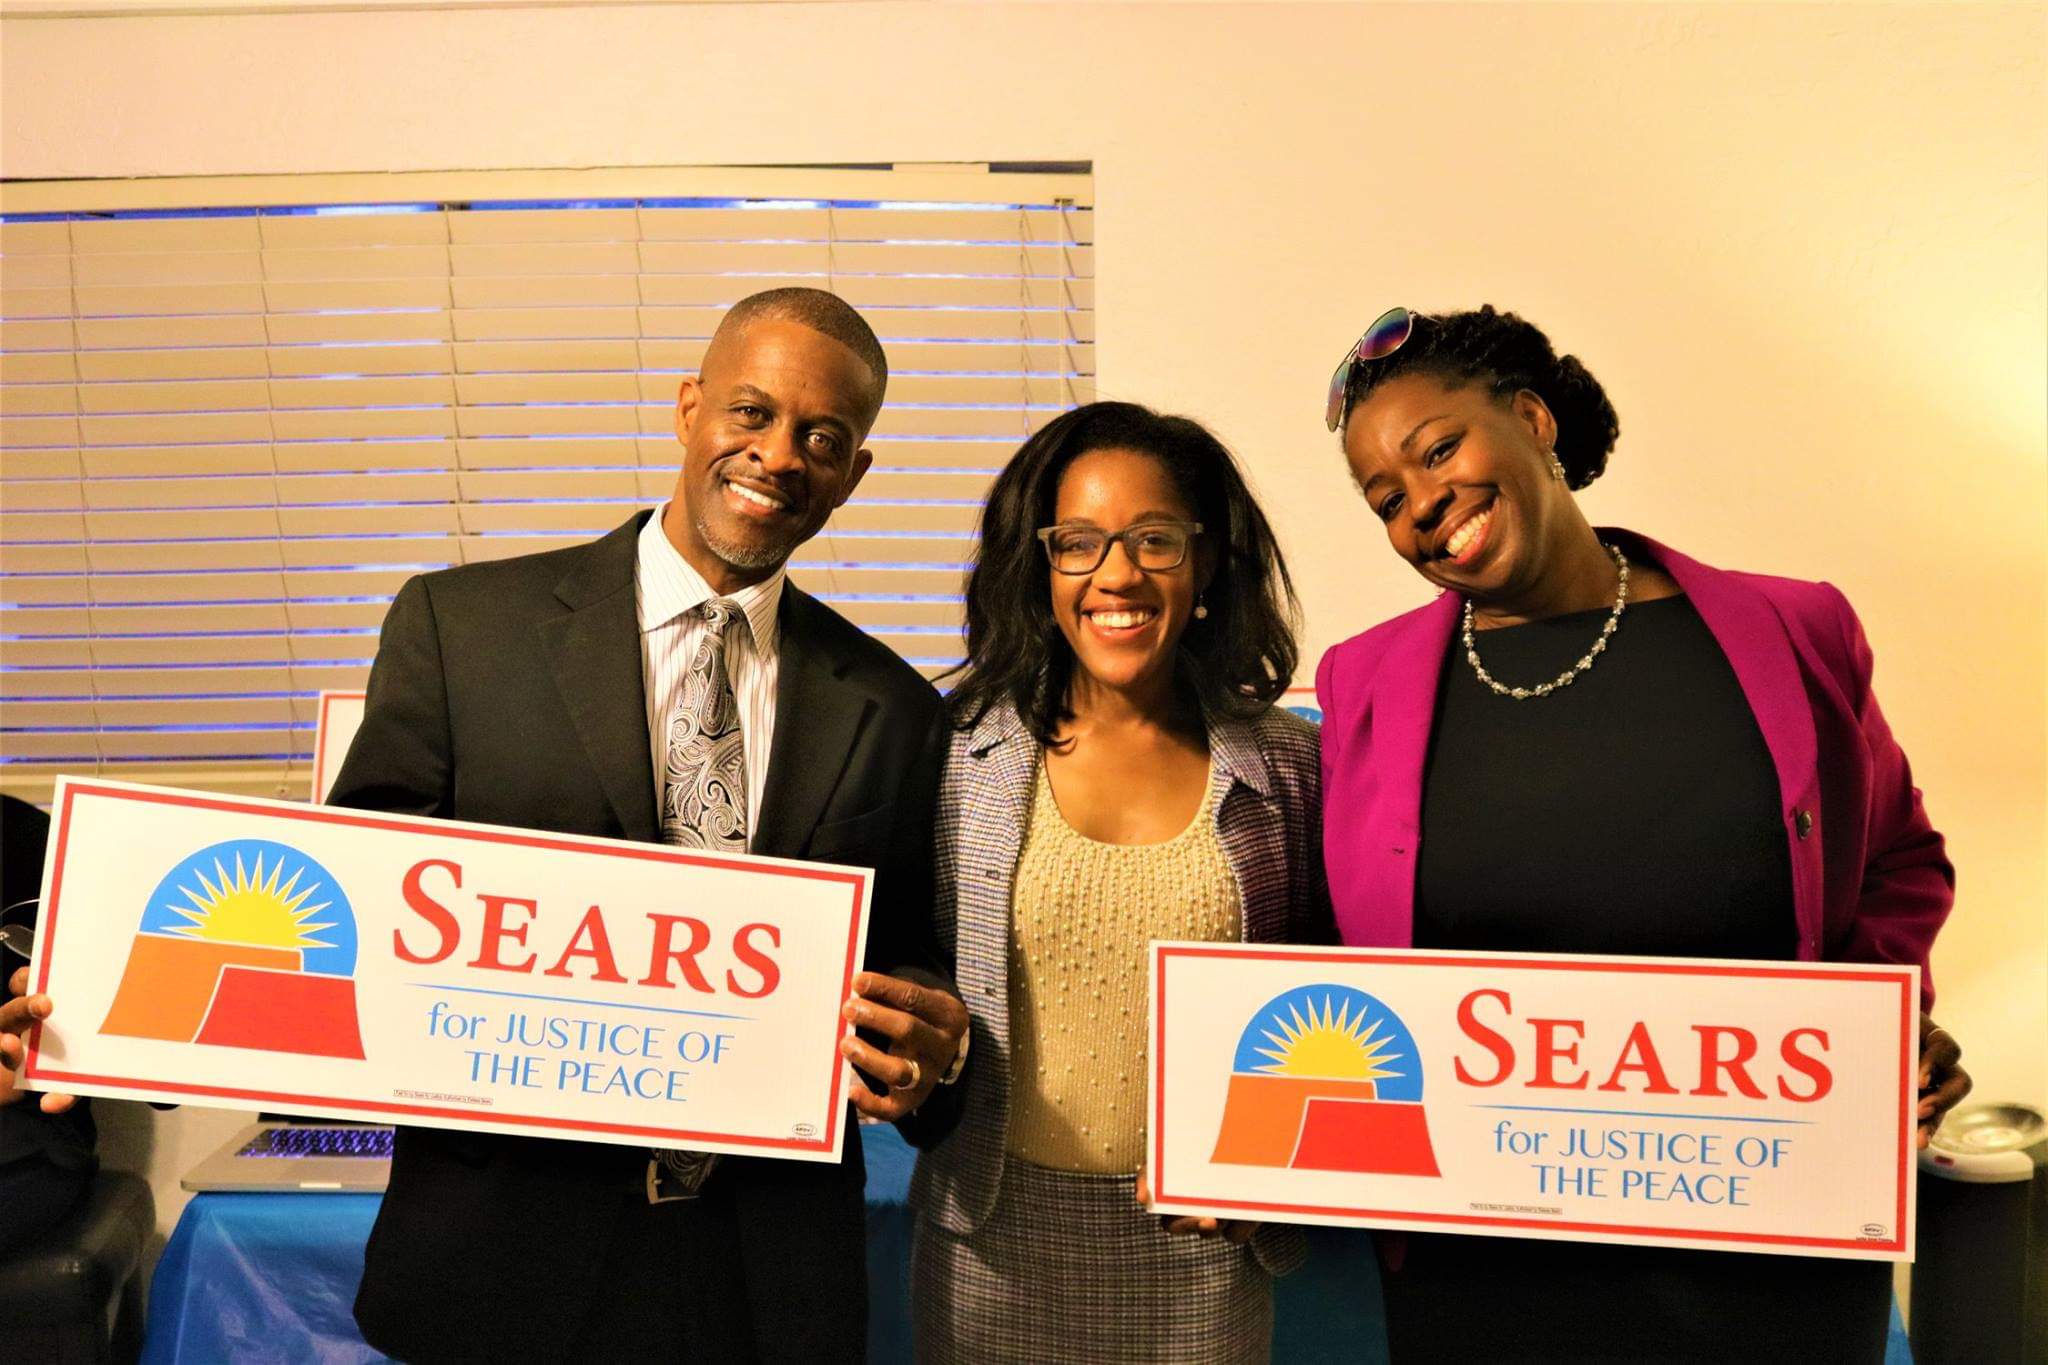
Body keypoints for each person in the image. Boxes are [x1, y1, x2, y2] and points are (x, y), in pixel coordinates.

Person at [3, 288, 972, 1364]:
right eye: (750, 413)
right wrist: (85, 1020)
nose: (778, 454)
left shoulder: (892, 706)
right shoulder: (464, 632)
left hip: (761, 1279)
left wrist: (932, 1046)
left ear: (854, 472)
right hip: (501, 1263)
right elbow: (342, 924)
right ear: (690, 408)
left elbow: (912, 962)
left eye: (821, 437)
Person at [1317, 305, 1972, 1362]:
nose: (1421, 504)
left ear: (1531, 420)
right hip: (1484, 1268)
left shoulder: (1793, 628)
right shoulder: (1364, 684)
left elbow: (1900, 860)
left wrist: (1879, 1036)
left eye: (1438, 450)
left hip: (1771, 1248)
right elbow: (1323, 949)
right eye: (1385, 499)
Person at [909, 402, 1334, 1363]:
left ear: (1208, 561)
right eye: (1079, 544)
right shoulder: (954, 753)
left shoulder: (1292, 769)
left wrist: (1273, 1169)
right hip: (994, 1246)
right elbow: (918, 964)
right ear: (1039, 566)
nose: (1117, 574)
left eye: (1154, 539)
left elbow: (1333, 1009)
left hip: (1202, 1257)